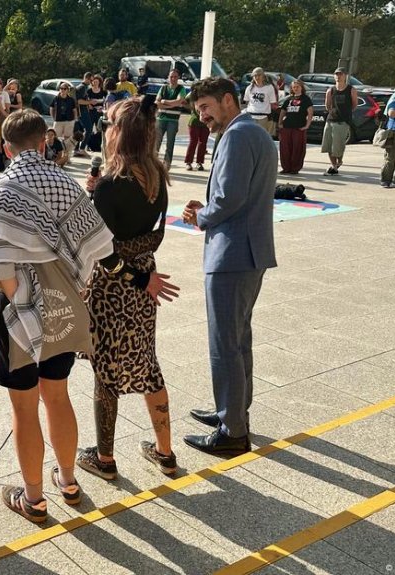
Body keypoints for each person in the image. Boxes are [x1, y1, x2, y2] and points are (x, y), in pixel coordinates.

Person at [0, 110, 116, 523]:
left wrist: (20, 300)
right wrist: (71, 287)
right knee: (57, 395)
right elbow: (96, 247)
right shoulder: (64, 182)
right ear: (44, 142)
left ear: (6, 147)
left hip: (16, 309)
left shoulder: (0, 190)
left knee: (23, 408)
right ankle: (70, 481)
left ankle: (34, 499)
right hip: (62, 303)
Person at [79, 96, 181, 480]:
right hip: (144, 288)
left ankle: (104, 460)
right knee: (147, 365)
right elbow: (147, 234)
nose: (106, 130)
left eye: (109, 125)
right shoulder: (157, 176)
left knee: (107, 373)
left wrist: (95, 197)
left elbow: (102, 251)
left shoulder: (110, 185)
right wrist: (145, 277)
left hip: (113, 289)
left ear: (119, 134)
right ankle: (165, 452)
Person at [181, 77, 277, 456]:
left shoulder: (236, 136)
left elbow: (229, 198)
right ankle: (233, 411)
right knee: (239, 340)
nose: (202, 116)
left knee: (225, 344)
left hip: (232, 254)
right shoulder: (255, 133)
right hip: (250, 251)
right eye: (198, 110)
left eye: (205, 107)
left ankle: (232, 430)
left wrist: (201, 216)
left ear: (227, 100)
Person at [322, 68, 357, 176]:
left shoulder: (351, 89)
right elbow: (327, 105)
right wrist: (333, 112)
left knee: (338, 145)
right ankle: (333, 166)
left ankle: (339, 161)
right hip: (331, 120)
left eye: (340, 74)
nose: (338, 76)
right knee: (328, 144)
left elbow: (354, 105)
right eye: (336, 74)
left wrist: (345, 114)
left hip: (343, 121)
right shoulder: (330, 90)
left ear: (345, 76)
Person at [278, 80, 314, 174]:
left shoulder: (306, 99)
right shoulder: (288, 99)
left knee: (297, 149)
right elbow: (283, 111)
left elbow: (310, 112)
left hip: (299, 128)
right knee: (285, 149)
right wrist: (280, 123)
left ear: (301, 87)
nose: (296, 88)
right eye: (294, 87)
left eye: (297, 86)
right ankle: (286, 168)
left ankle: (295, 168)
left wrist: (307, 125)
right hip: (287, 127)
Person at [155, 69, 188, 167]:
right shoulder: (163, 88)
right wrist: (170, 105)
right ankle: (154, 162)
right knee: (156, 142)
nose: (173, 79)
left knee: (170, 143)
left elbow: (180, 101)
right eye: (171, 77)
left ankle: (167, 163)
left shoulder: (181, 89)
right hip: (161, 119)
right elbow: (157, 102)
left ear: (178, 78)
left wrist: (165, 101)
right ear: (168, 78)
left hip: (173, 120)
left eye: (175, 77)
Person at [242, 67, 278, 135]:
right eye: (255, 75)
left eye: (259, 75)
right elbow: (246, 102)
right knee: (250, 137)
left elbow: (273, 103)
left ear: (263, 76)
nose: (257, 77)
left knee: (261, 138)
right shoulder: (249, 88)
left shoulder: (269, 87)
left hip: (263, 117)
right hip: (251, 116)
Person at [49, 82, 79, 162]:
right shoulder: (56, 98)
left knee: (68, 139)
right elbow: (51, 108)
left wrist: (75, 119)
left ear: (67, 90)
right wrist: (53, 117)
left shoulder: (71, 99)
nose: (62, 90)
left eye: (64, 89)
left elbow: (74, 110)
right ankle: (57, 157)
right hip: (58, 120)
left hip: (69, 120)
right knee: (56, 138)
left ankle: (67, 157)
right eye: (61, 88)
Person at [184, 93, 210, 171]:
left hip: (206, 122)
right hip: (194, 121)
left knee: (203, 142)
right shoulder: (194, 94)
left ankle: (199, 163)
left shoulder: (210, 95)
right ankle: (188, 162)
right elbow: (185, 101)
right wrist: (191, 108)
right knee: (193, 142)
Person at [75, 72, 95, 156]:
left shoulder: (84, 87)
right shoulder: (82, 87)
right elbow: (79, 101)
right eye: (91, 80)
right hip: (81, 112)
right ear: (86, 78)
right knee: (89, 129)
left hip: (83, 111)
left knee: (80, 130)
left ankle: (77, 149)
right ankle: (82, 148)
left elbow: (83, 100)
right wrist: (90, 102)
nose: (92, 82)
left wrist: (88, 104)